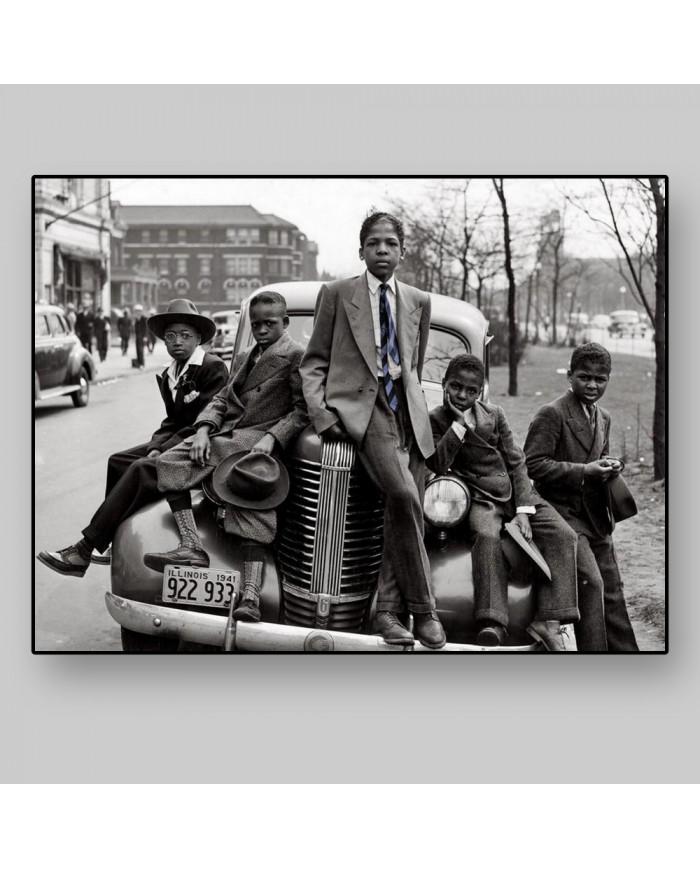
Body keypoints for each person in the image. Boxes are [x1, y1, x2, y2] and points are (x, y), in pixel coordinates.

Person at [299, 211, 445, 649]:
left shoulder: (419, 299)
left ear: (402, 250)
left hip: (409, 417)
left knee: (401, 511)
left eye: (390, 243)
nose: (382, 250)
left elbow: (414, 368)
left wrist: (414, 407)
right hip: (364, 409)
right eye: (373, 243)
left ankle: (386, 613)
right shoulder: (338, 293)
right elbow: (313, 363)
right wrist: (326, 418)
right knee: (403, 496)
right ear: (361, 249)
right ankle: (425, 610)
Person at [143, 291, 308, 619]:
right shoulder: (247, 354)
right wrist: (203, 428)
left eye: (269, 324)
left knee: (250, 505)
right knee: (169, 461)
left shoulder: (295, 355)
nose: (261, 329)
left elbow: (302, 410)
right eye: (256, 323)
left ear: (285, 323)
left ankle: (251, 598)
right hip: (228, 435)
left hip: (259, 440)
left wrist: (273, 439)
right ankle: (191, 545)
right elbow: (222, 398)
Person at [37, 300, 229, 577]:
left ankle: (83, 550)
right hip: (177, 440)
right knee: (118, 462)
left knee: (141, 469)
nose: (177, 342)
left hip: (201, 445)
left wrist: (160, 450)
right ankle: (114, 539)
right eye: (171, 336)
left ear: (199, 339)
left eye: (185, 336)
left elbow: (206, 421)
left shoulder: (212, 367)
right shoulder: (169, 372)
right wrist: (155, 446)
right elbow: (172, 421)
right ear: (164, 341)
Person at [428, 354, 579, 651]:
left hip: (515, 495)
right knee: (485, 536)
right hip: (480, 498)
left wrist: (524, 509)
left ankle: (548, 619)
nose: (462, 395)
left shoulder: (494, 414)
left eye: (471, 391)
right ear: (444, 385)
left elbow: (517, 463)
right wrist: (458, 427)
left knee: (564, 535)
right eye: (455, 387)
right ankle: (492, 620)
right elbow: (437, 462)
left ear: (480, 391)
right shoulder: (436, 419)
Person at [523, 342, 639, 651]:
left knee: (612, 589)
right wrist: (583, 471)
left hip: (595, 517)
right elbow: (532, 465)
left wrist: (612, 464)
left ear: (608, 380)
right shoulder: (551, 414)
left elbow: (599, 454)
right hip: (561, 515)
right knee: (592, 584)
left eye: (600, 379)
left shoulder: (603, 417)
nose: (592, 385)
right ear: (570, 375)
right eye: (585, 377)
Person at [133, 304, 147, 368]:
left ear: (141, 311)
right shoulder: (136, 319)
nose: (137, 312)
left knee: (141, 350)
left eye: (138, 311)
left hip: (142, 336)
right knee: (137, 349)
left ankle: (141, 363)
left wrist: (145, 336)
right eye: (136, 311)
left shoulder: (144, 319)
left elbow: (146, 328)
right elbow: (135, 329)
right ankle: (139, 362)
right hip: (137, 336)